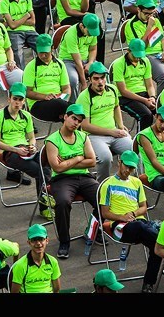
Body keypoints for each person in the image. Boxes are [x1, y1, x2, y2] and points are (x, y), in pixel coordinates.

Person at [98, 150, 162, 292]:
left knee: (157, 248)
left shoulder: (137, 182)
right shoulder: (108, 184)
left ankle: (148, 284)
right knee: (156, 237)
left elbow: (144, 207)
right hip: (120, 226)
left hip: (140, 224)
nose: (128, 170)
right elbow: (105, 212)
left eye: (132, 168)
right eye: (126, 166)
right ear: (119, 163)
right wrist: (123, 217)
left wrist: (133, 213)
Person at [44, 103, 100, 259]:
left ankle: (92, 231)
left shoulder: (83, 137)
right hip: (62, 180)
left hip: (84, 177)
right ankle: (64, 241)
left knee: (104, 198)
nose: (76, 123)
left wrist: (68, 162)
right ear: (65, 117)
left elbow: (92, 162)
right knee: (62, 202)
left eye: (79, 121)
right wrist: (79, 157)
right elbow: (57, 167)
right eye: (74, 118)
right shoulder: (52, 140)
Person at [0, 82, 48, 210]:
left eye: (20, 99)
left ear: (24, 101)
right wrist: (16, 149)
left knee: (47, 165)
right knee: (40, 171)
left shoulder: (26, 116)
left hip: (26, 149)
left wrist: (32, 146)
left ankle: (45, 201)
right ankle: (45, 205)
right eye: (15, 99)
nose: (17, 102)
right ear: (9, 99)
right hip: (10, 152)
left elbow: (32, 138)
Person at [76, 61, 133, 182]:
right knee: (106, 158)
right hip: (94, 137)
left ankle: (132, 182)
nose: (100, 82)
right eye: (96, 78)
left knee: (134, 149)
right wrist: (111, 132)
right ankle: (102, 186)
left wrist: (121, 126)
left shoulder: (112, 90)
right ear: (90, 79)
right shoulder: (84, 97)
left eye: (102, 78)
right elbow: (85, 126)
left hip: (115, 133)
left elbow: (116, 106)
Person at [123, 0, 164, 93]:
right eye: (146, 13)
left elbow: (163, 39)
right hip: (146, 55)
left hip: (160, 54)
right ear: (138, 9)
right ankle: (160, 104)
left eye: (151, 13)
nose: (149, 16)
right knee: (163, 77)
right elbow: (141, 47)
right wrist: (149, 27)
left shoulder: (155, 20)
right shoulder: (132, 25)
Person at [111, 38, 156, 131]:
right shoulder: (119, 64)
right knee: (146, 115)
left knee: (162, 113)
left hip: (143, 95)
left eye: (140, 55)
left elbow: (150, 85)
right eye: (135, 55)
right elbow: (123, 91)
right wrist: (144, 101)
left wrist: (152, 97)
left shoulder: (145, 61)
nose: (138, 58)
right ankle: (140, 142)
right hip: (126, 98)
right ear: (128, 51)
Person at [9, 224, 61, 293]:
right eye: (34, 240)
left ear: (47, 240)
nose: (38, 243)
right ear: (29, 242)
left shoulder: (53, 262)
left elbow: (57, 289)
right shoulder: (20, 265)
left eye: (41, 239)